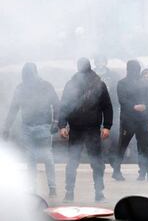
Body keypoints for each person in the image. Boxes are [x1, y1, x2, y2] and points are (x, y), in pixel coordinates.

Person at [58, 58, 113, 203]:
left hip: (92, 129)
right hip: (75, 129)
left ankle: (99, 193)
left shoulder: (99, 84)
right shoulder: (71, 84)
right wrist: (62, 125)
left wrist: (107, 126)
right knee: (72, 162)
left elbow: (107, 106)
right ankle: (69, 192)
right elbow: (64, 106)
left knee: (97, 162)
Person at [3, 63, 59, 197]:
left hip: (43, 127)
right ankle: (33, 188)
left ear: (35, 73)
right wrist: (6, 127)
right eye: (26, 75)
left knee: (45, 157)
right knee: (33, 158)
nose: (27, 77)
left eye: (29, 74)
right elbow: (13, 108)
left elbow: (56, 104)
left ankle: (51, 187)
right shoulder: (21, 88)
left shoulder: (45, 86)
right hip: (27, 127)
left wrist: (56, 121)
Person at [113, 60, 148, 182]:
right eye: (133, 68)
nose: (135, 71)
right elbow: (122, 100)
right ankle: (116, 171)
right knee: (122, 146)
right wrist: (134, 107)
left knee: (145, 146)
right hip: (127, 120)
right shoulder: (122, 83)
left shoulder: (143, 83)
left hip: (142, 119)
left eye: (137, 68)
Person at [93, 56, 120, 172]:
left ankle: (114, 161)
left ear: (105, 62)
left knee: (113, 133)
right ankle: (99, 161)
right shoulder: (91, 74)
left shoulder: (113, 75)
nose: (99, 63)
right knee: (96, 135)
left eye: (101, 60)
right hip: (95, 107)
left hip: (112, 105)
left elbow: (117, 90)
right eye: (97, 61)